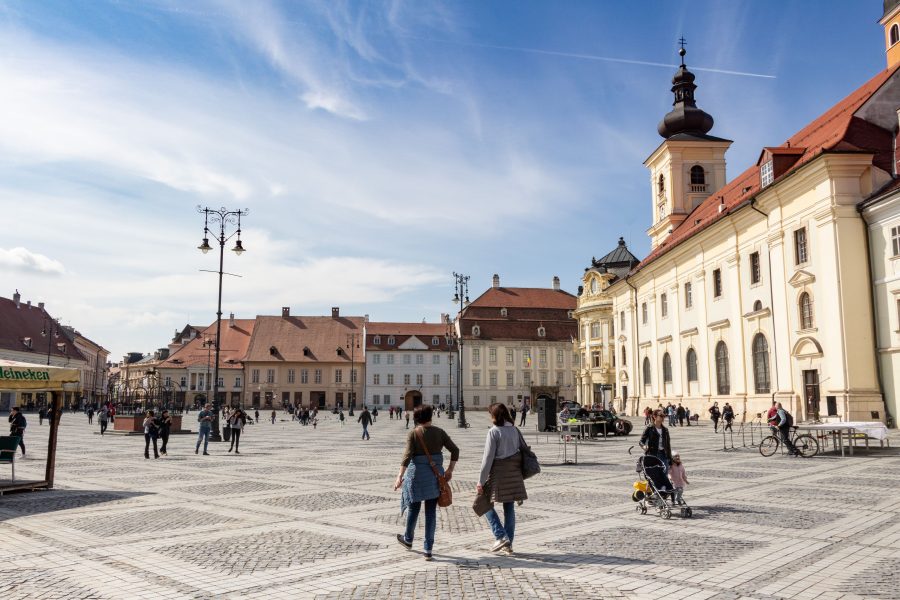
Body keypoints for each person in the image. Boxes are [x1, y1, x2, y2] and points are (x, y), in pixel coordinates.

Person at [394, 405, 458, 561]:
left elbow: (407, 456)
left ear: (416, 418)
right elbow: (455, 450)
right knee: (430, 513)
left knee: (413, 509)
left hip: (416, 477)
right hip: (435, 478)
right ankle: (428, 549)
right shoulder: (439, 432)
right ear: (430, 417)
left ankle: (408, 539)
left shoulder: (414, 433)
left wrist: (399, 476)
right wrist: (449, 470)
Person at [477, 403, 527, 555]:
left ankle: (500, 535)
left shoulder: (494, 432)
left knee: (483, 503)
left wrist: (481, 480)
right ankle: (508, 544)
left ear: (495, 415)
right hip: (514, 474)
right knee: (509, 508)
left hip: (498, 474)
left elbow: (488, 458)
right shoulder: (514, 430)